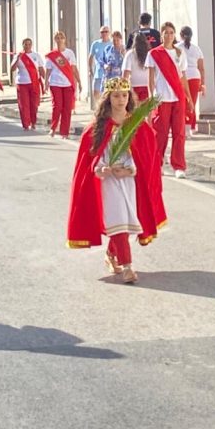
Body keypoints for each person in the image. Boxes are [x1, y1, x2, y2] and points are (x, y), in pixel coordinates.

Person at [66, 77, 167, 284]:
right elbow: (90, 159)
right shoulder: (97, 128)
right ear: (108, 99)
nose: (121, 100)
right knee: (118, 221)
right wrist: (101, 168)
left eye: (124, 95)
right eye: (116, 96)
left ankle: (112, 254)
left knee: (127, 223)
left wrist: (130, 169)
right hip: (107, 183)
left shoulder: (137, 125)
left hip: (129, 181)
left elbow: (147, 156)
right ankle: (128, 267)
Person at [146, 22, 192, 176]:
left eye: (172, 32)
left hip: (178, 97)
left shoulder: (180, 53)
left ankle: (179, 166)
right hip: (161, 98)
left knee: (179, 133)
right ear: (161, 35)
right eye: (166, 32)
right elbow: (150, 79)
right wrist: (151, 98)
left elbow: (183, 76)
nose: (169, 35)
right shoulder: (154, 54)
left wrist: (189, 97)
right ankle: (158, 164)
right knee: (160, 133)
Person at [45, 31, 81, 139]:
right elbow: (48, 70)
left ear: (65, 39)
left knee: (67, 108)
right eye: (57, 38)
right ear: (55, 40)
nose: (60, 40)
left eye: (61, 37)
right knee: (57, 106)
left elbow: (74, 68)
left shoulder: (70, 53)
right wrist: (46, 82)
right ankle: (53, 128)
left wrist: (79, 81)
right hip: (55, 83)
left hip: (67, 83)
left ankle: (64, 132)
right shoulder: (52, 55)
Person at [10, 37, 45, 130]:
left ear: (31, 45)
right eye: (26, 44)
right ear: (23, 45)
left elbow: (41, 69)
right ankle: (26, 124)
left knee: (34, 104)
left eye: (29, 44)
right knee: (24, 104)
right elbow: (12, 69)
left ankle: (33, 122)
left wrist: (46, 81)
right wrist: (17, 58)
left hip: (34, 82)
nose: (27, 46)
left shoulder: (36, 55)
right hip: (22, 83)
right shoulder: (19, 55)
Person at [179, 26, 205, 136]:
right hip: (195, 76)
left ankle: (184, 127)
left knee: (182, 102)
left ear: (180, 35)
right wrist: (203, 83)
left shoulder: (177, 47)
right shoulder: (197, 49)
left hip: (182, 75)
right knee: (192, 102)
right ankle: (190, 127)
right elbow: (201, 68)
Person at [122, 32, 152, 102]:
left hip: (134, 87)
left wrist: (129, 91)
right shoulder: (150, 54)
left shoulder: (130, 54)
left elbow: (125, 76)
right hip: (148, 87)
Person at [88, 26, 111, 104]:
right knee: (96, 93)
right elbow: (91, 57)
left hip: (109, 74)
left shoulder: (112, 43)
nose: (104, 33)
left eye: (106, 31)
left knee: (107, 94)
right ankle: (98, 108)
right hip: (98, 73)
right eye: (102, 32)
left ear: (109, 33)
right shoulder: (95, 44)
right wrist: (90, 69)